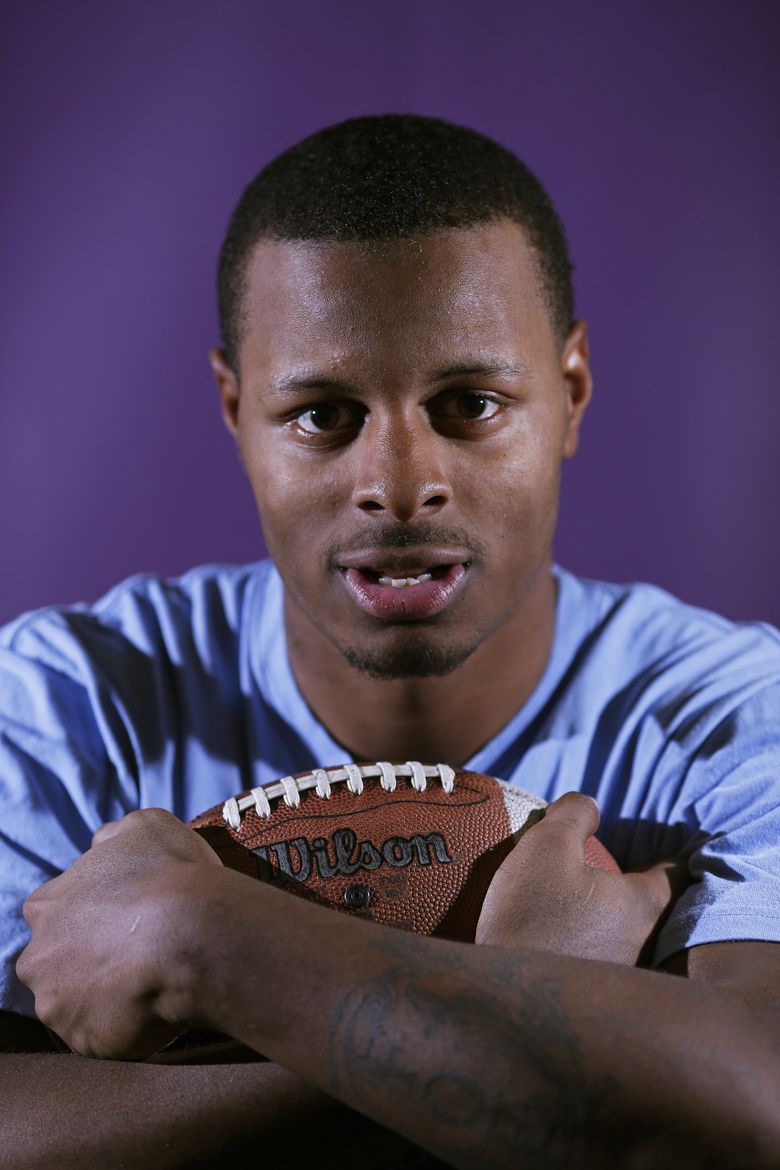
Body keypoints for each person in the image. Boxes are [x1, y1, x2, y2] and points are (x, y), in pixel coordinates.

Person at [2, 115, 779, 1169]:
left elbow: (753, 1103)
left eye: (470, 404)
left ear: (571, 394)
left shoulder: (738, 714)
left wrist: (204, 940)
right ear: (234, 411)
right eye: (322, 415)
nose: (400, 485)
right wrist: (523, 1010)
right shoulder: (66, 702)